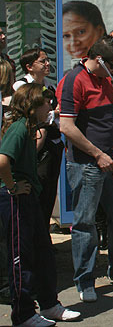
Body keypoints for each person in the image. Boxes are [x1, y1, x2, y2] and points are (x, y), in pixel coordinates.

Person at [57, 35, 113, 303]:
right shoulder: (74, 80)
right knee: (85, 223)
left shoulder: (106, 79)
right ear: (99, 60)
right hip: (86, 164)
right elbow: (67, 127)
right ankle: (85, 280)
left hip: (111, 160)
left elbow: (110, 118)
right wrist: (97, 154)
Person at [0, 83, 80, 326]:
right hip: (15, 198)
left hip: (29, 196)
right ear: (33, 105)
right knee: (20, 257)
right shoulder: (18, 128)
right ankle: (23, 314)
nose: (51, 107)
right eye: (46, 102)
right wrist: (13, 187)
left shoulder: (31, 127)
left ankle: (49, 304)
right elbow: (3, 161)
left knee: (43, 251)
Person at [14, 49, 63, 231]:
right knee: (37, 190)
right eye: (42, 61)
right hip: (34, 145)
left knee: (49, 191)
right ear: (29, 66)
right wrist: (53, 114)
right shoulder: (22, 85)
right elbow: (27, 112)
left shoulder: (50, 86)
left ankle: (43, 237)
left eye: (48, 60)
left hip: (53, 144)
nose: (47, 64)